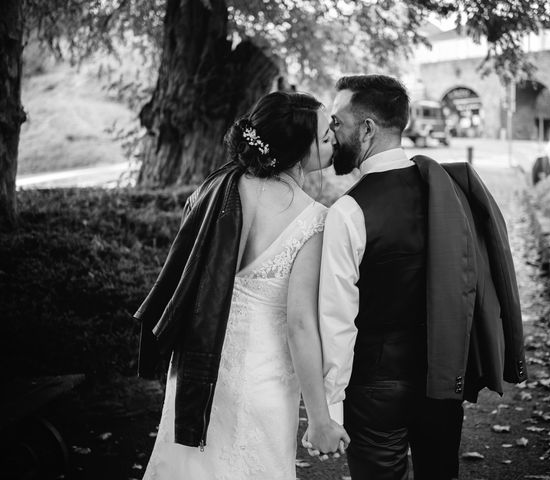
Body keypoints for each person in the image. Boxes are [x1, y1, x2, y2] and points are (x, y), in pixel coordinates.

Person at [311, 75, 527, 480]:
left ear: (368, 128)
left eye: (338, 122)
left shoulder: (348, 212)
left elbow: (337, 321)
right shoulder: (448, 191)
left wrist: (330, 410)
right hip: (441, 376)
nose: (331, 133)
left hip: (373, 388)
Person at [137, 91, 350, 479]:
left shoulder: (217, 188)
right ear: (296, 150)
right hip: (260, 383)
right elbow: (299, 325)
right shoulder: (313, 220)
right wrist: (320, 419)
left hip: (196, 370)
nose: (334, 141)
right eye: (324, 137)